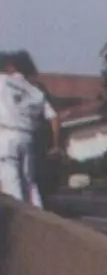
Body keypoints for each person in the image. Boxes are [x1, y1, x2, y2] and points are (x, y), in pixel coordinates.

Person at [0, 51, 59, 208]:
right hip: (27, 137)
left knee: (11, 180)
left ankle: (19, 219)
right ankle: (38, 213)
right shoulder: (36, 92)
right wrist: (55, 144)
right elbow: (53, 117)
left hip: (6, 135)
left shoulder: (2, 81)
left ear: (11, 67)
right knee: (29, 182)